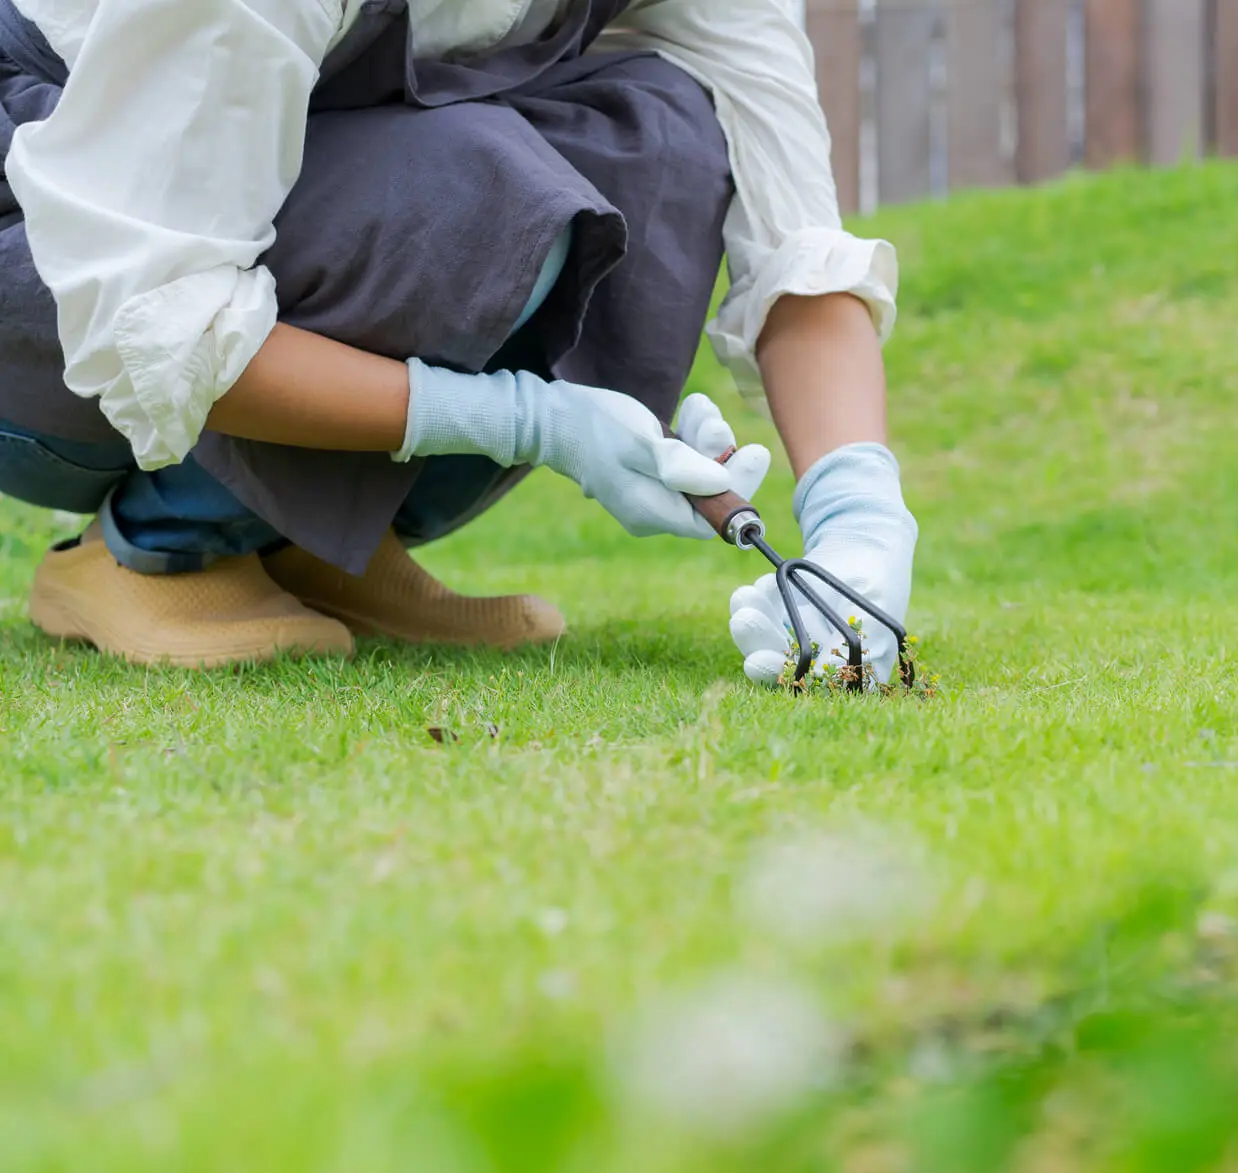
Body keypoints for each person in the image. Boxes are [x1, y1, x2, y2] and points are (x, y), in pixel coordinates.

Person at [0, 0, 918, 686]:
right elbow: (150, 320)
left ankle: (310, 540)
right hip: (50, 250)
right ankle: (158, 548)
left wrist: (861, 520)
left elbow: (795, 236)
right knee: (483, 184)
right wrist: (529, 419)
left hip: (250, 200)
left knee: (660, 138)